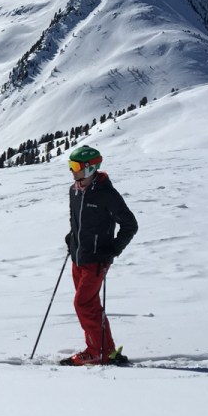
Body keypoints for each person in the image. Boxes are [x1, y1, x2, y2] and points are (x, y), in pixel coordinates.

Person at [62, 145, 138, 366]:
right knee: (90, 305)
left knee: (83, 304)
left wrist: (113, 249)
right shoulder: (74, 191)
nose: (72, 172)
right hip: (78, 257)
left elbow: (130, 225)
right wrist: (72, 237)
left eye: (75, 167)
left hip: (97, 260)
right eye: (70, 166)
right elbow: (76, 220)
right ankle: (106, 349)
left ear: (90, 168)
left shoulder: (107, 195)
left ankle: (96, 351)